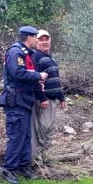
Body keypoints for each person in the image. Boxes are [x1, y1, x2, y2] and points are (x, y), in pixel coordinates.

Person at [0, 26, 47, 184]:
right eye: (36, 38)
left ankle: (23, 166)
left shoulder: (27, 55)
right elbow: (17, 73)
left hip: (25, 101)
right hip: (16, 101)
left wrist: (41, 97)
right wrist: (39, 75)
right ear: (29, 38)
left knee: (26, 137)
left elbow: (31, 82)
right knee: (16, 137)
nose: (38, 41)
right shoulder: (15, 52)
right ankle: (8, 169)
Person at [30, 29, 66, 168]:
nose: (45, 42)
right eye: (41, 39)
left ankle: (44, 159)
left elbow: (55, 79)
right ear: (37, 41)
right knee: (40, 131)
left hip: (52, 100)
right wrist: (42, 98)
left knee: (49, 130)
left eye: (47, 39)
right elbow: (35, 81)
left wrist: (61, 97)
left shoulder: (50, 57)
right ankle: (35, 162)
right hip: (42, 101)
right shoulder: (36, 57)